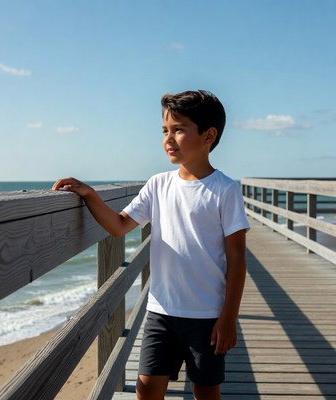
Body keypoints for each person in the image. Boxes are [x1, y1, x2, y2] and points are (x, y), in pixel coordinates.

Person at [52, 90, 250, 400]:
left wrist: (228, 319)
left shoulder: (225, 190)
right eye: (165, 130)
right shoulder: (158, 185)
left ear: (208, 136)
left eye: (179, 129)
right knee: (146, 387)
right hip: (162, 311)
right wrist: (89, 194)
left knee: (206, 390)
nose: (168, 138)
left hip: (207, 315)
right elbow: (119, 227)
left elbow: (237, 259)